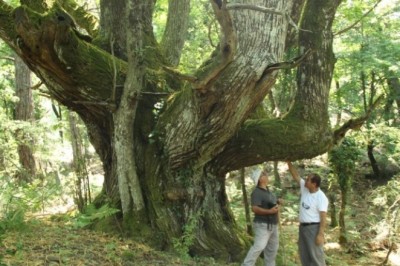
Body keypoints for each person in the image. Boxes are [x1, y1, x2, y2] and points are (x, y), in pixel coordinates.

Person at [287, 161, 329, 266]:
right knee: (304, 255)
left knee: (316, 256)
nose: (305, 181)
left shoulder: (321, 197)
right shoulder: (305, 189)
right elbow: (296, 175)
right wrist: (288, 162)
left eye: (308, 180)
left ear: (314, 184)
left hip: (313, 229)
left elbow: (323, 217)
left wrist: (320, 234)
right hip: (303, 228)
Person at [242, 169, 280, 266]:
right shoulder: (257, 192)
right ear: (259, 179)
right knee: (259, 246)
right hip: (262, 224)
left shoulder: (269, 192)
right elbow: (254, 208)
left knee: (272, 249)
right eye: (263, 174)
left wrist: (278, 202)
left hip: (273, 225)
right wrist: (269, 211)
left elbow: (272, 205)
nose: (266, 175)